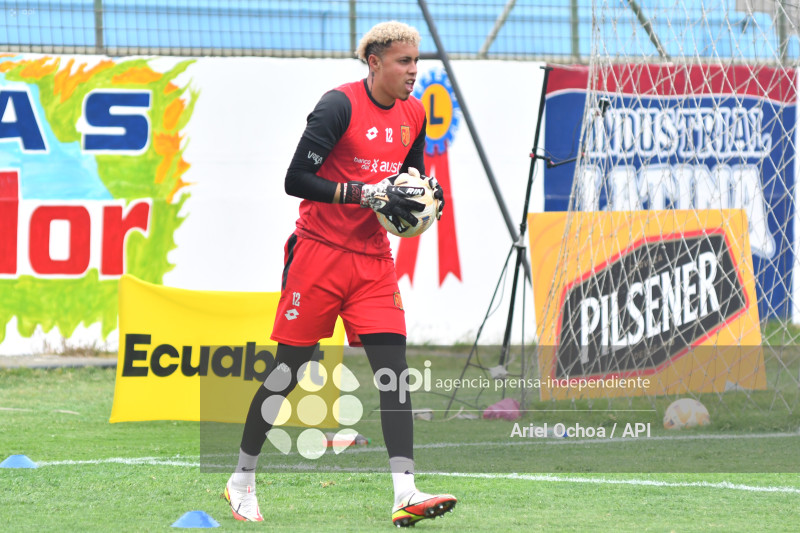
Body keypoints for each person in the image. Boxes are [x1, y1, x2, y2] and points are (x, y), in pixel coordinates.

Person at [223, 20, 457, 527]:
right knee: (287, 373)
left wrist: (420, 204)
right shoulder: (338, 105)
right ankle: (241, 478)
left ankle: (405, 493)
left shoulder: (415, 114)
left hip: (373, 261)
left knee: (394, 374)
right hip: (319, 255)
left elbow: (407, 180)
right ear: (374, 62)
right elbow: (296, 180)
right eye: (403, 62)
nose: (413, 72)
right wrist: (360, 193)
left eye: (416, 62)